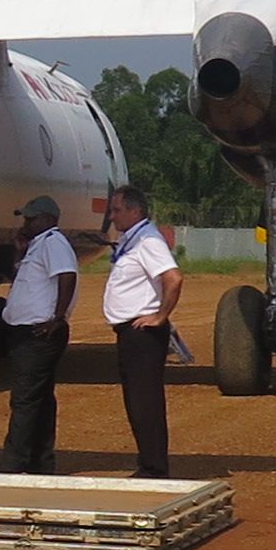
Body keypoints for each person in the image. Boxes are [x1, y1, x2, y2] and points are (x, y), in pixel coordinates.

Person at [101, 180, 183, 480]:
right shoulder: (134, 239)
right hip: (130, 332)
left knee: (144, 401)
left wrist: (160, 316)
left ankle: (154, 467)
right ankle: (148, 462)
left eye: (118, 210)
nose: (113, 216)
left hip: (143, 333)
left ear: (136, 211)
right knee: (137, 400)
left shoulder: (148, 241)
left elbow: (173, 278)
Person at [0, 192, 77, 474]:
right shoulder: (38, 245)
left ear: (48, 219)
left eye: (31, 218)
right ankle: (40, 461)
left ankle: (13, 464)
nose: (25, 222)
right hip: (27, 332)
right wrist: (20, 252)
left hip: (38, 333)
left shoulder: (53, 243)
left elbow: (67, 276)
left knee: (25, 399)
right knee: (38, 399)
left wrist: (58, 317)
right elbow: (26, 282)